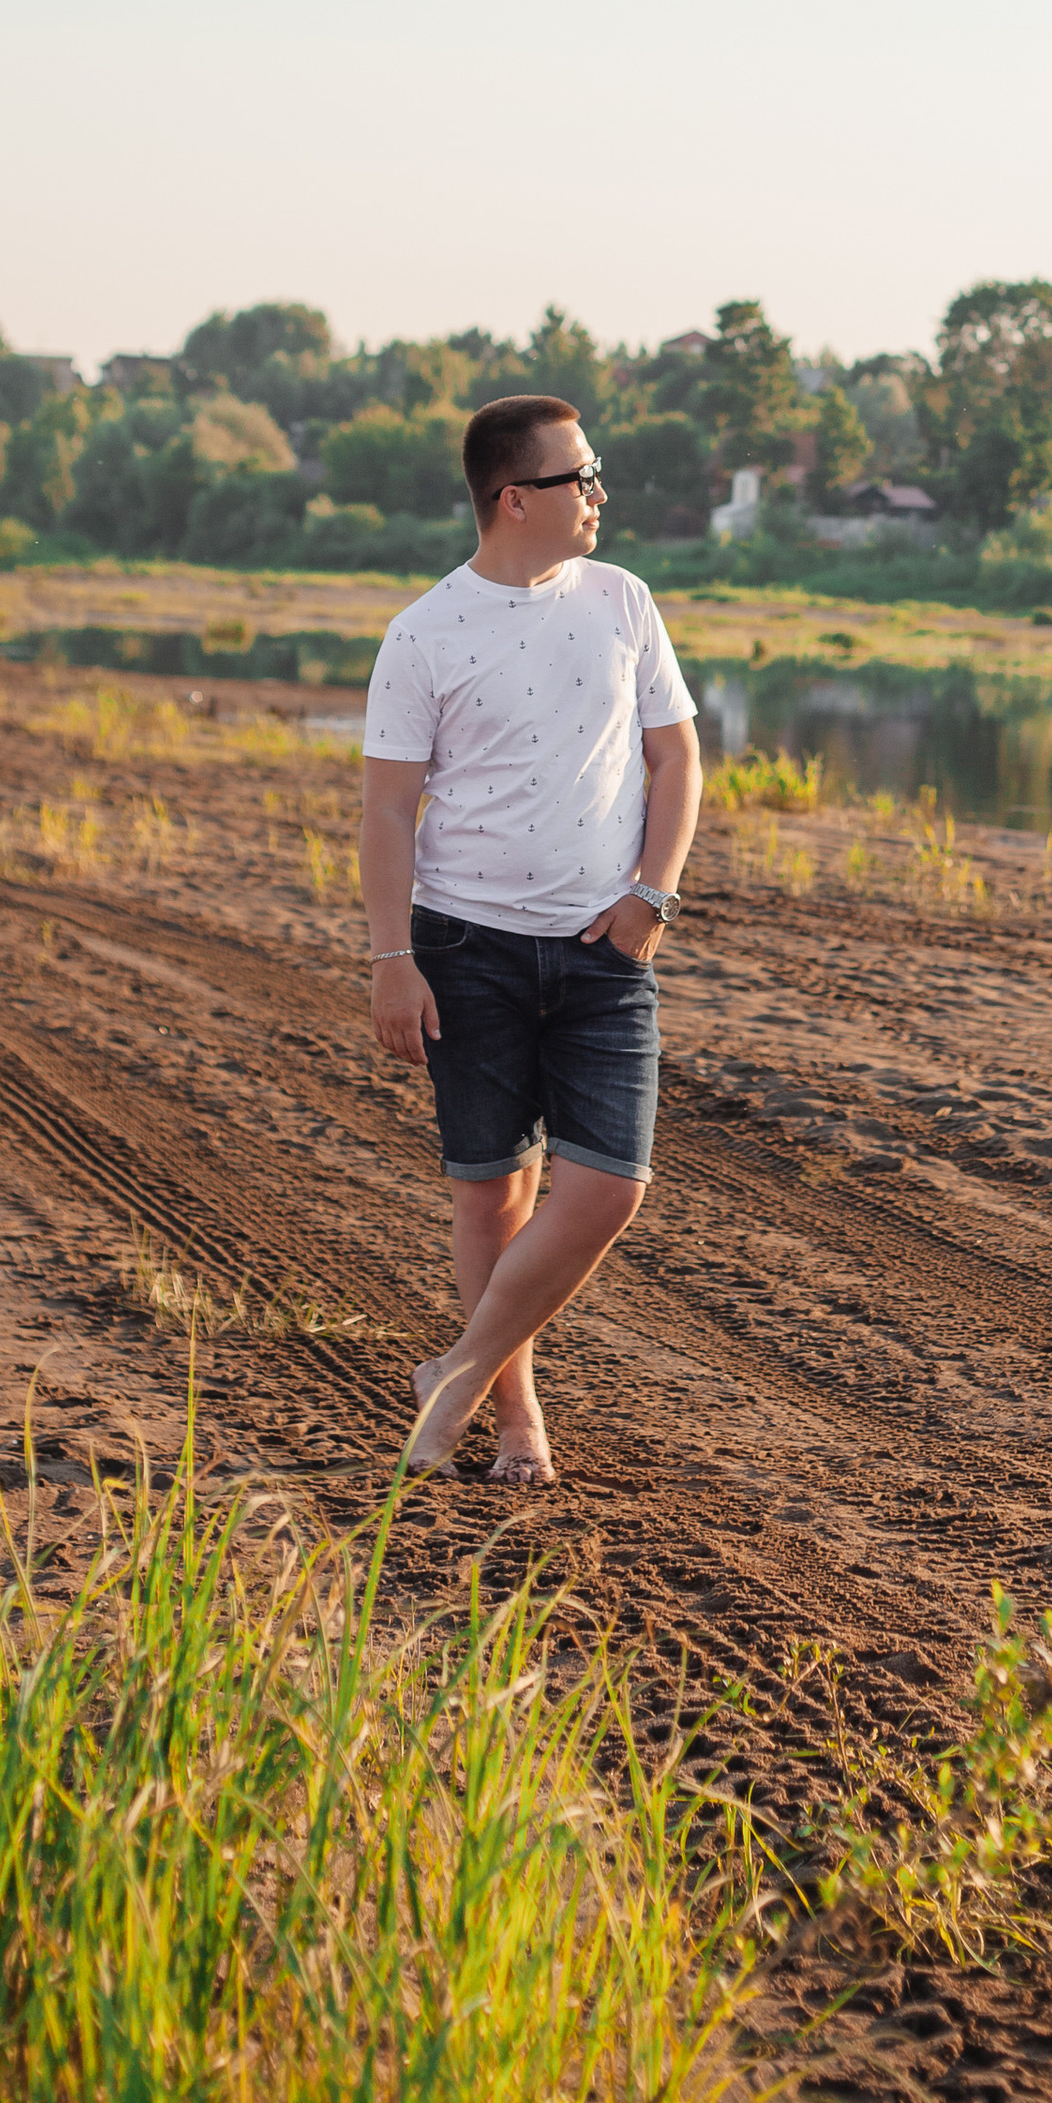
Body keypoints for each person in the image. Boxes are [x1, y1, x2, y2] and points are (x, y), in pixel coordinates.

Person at [362, 393, 702, 1482]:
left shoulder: (623, 601)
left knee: (609, 1187)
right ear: (515, 499)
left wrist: (654, 894)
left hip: (608, 948)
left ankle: (453, 1376)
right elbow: (384, 810)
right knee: (491, 1197)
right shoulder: (422, 633)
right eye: (579, 479)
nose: (599, 495)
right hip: (466, 949)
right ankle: (515, 1423)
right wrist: (390, 962)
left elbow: (675, 760)